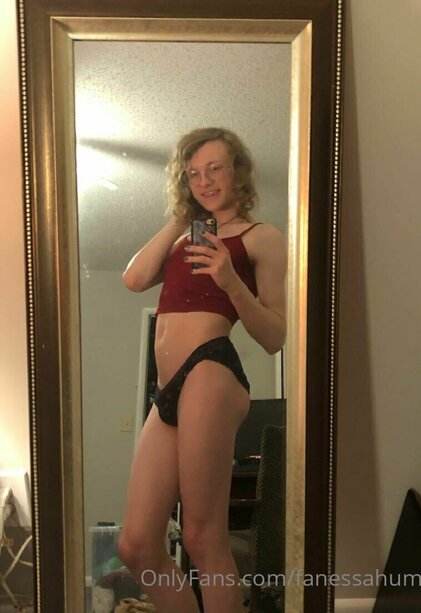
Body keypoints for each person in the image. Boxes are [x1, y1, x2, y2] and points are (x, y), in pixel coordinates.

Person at [118, 127, 287, 613]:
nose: (204, 180)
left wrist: (231, 281)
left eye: (214, 168)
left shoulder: (261, 237)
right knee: (137, 544)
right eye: (193, 174)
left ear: (238, 172)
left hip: (210, 370)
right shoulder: (181, 240)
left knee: (201, 535)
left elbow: (275, 337)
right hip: (168, 387)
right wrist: (181, 217)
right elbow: (133, 279)